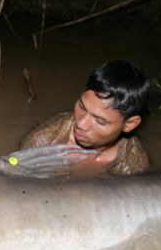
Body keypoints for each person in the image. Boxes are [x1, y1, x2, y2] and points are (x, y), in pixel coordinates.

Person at [20, 60, 151, 175]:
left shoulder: (133, 162)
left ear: (130, 124)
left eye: (99, 121)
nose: (81, 124)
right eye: (82, 107)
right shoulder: (43, 141)